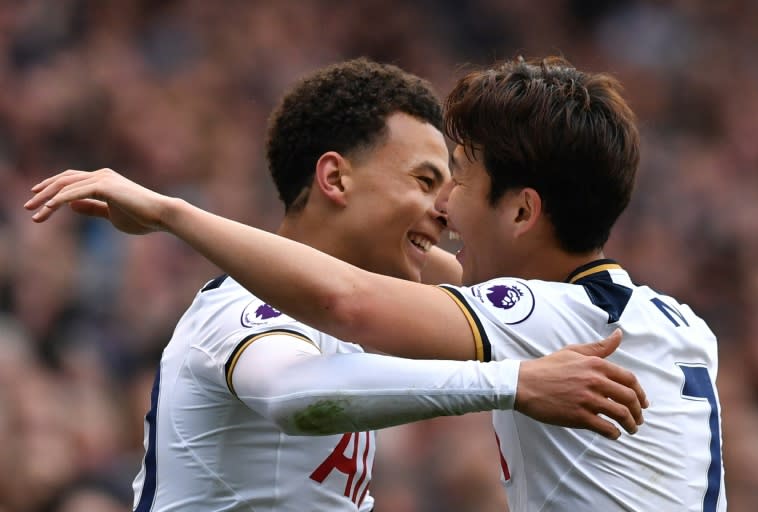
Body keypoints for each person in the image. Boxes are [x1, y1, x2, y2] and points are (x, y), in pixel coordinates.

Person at [26, 58, 649, 512]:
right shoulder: (247, 304)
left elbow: (458, 274)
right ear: (336, 179)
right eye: (426, 180)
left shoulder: (359, 313)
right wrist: (514, 384)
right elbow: (299, 396)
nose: (446, 210)